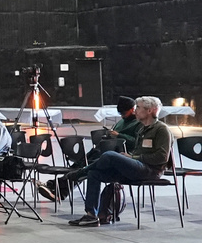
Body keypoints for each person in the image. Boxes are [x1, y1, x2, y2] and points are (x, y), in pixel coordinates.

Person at [68, 96, 172, 227]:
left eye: (138, 108)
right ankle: (91, 215)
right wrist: (129, 156)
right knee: (94, 174)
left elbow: (162, 157)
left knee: (110, 155)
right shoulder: (142, 129)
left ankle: (80, 173)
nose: (135, 111)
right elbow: (138, 150)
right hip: (137, 166)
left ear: (150, 110)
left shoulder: (161, 129)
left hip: (150, 170)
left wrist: (133, 158)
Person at [39, 95, 140, 202]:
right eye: (120, 114)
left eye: (124, 113)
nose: (122, 116)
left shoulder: (138, 123)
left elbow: (136, 142)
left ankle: (55, 185)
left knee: (87, 168)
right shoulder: (121, 122)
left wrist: (119, 135)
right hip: (104, 149)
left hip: (118, 153)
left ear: (132, 109)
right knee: (80, 164)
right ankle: (61, 191)